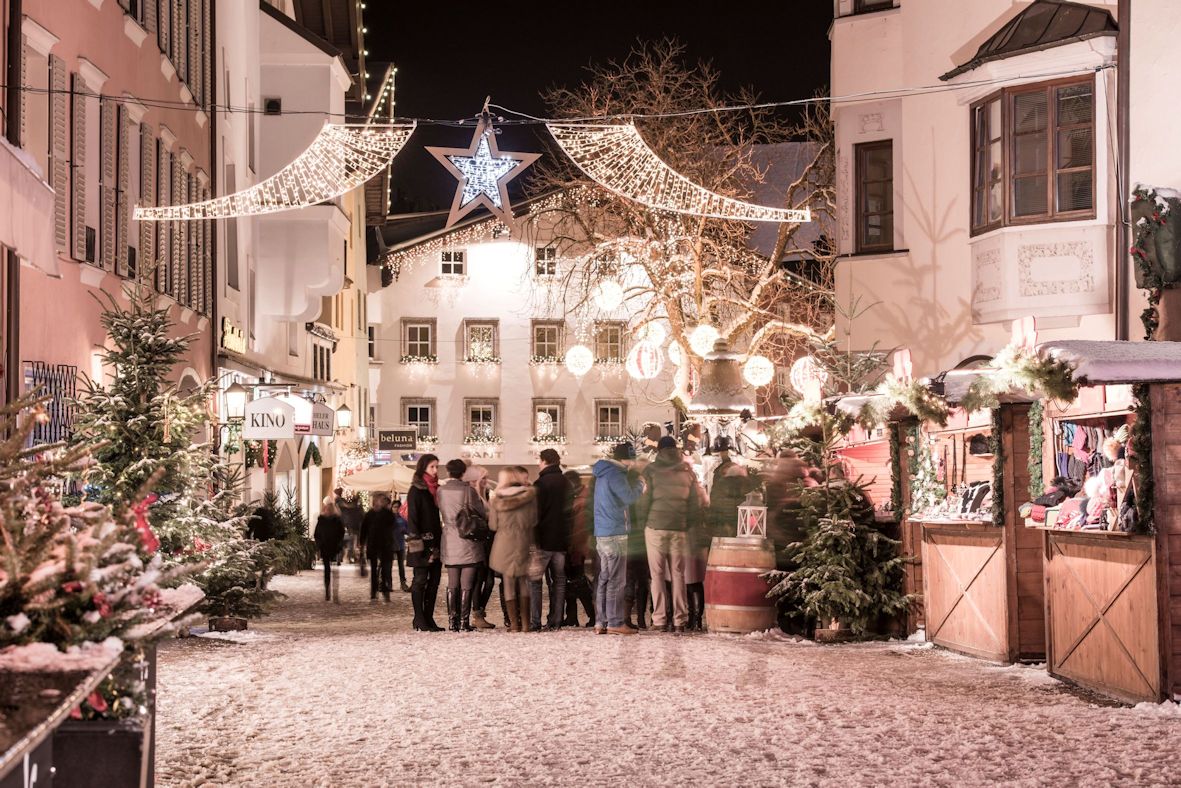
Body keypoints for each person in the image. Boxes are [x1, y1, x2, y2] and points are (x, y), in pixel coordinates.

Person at [638, 436, 704, 633]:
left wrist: (643, 523)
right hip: (679, 528)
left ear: (659, 450)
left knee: (657, 575)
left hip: (655, 527)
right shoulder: (687, 471)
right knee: (678, 574)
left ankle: (659, 619)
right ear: (676, 450)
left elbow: (644, 500)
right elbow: (695, 504)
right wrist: (687, 524)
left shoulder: (650, 470)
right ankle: (679, 619)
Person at [592, 442, 644, 635]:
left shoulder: (603, 473)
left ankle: (601, 622)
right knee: (616, 580)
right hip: (615, 532)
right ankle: (614, 622)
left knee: (605, 578)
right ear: (627, 458)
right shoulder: (616, 474)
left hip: (603, 532)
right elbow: (628, 497)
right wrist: (640, 485)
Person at [438, 458, 489, 632]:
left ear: (448, 471)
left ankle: (452, 621)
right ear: (462, 473)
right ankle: (464, 621)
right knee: (467, 582)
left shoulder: (441, 490)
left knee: (452, 582)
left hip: (450, 537)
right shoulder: (468, 491)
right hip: (467, 538)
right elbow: (481, 513)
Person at [488, 466, 538, 632]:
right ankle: (526, 624)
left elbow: (493, 525)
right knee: (523, 581)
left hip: (504, 542)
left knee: (508, 582)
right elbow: (534, 521)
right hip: (523, 541)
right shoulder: (530, 496)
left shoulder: (496, 499)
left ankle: (514, 624)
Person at [530, 448, 571, 631]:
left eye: (539, 460)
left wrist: (534, 540)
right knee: (559, 582)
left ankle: (535, 621)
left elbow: (535, 515)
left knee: (535, 582)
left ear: (545, 460)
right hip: (561, 540)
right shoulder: (566, 483)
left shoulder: (540, 484)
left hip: (543, 540)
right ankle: (556, 621)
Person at [406, 454, 444, 632]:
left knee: (434, 581)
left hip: (435, 542)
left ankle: (428, 617)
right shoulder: (416, 490)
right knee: (420, 580)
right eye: (432, 467)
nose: (436, 470)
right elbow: (413, 520)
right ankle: (419, 618)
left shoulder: (435, 490)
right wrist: (418, 548)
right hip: (421, 542)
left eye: (437, 467)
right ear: (423, 469)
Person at [463, 464, 497, 629]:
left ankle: (479, 611)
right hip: (479, 542)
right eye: (483, 478)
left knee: (489, 580)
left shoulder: (488, 494)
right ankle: (477, 614)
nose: (486, 481)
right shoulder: (472, 496)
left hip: (491, 541)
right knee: (480, 579)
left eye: (486, 477)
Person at [562, 469, 595, 628]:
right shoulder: (580, 497)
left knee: (579, 582)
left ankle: (591, 614)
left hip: (576, 547)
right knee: (571, 582)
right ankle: (572, 616)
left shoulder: (581, 500)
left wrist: (574, 547)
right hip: (575, 546)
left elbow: (579, 528)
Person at [359, 492, 397, 603]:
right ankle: (373, 593)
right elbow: (364, 530)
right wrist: (362, 544)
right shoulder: (369, 514)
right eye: (379, 500)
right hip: (373, 545)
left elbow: (392, 524)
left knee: (385, 571)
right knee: (374, 571)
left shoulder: (387, 513)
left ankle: (385, 592)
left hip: (385, 546)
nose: (380, 502)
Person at [313, 497, 345, 602]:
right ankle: (327, 590)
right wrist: (319, 544)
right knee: (327, 569)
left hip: (334, 547)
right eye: (327, 509)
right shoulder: (321, 520)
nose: (328, 510)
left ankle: (335, 592)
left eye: (330, 509)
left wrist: (339, 544)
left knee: (335, 570)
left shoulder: (337, 520)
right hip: (325, 547)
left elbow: (341, 533)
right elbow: (317, 534)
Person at [334, 487, 362, 568]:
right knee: (347, 541)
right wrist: (355, 501)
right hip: (345, 523)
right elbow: (348, 506)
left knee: (348, 541)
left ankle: (344, 558)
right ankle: (343, 558)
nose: (341, 493)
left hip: (346, 523)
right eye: (340, 492)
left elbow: (348, 506)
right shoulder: (339, 500)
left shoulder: (340, 500)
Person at [391, 495, 411, 592]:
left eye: (398, 507)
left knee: (401, 566)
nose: (396, 509)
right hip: (390, 545)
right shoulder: (388, 519)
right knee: (387, 565)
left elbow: (408, 530)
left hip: (400, 544)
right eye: (394, 507)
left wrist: (405, 531)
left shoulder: (403, 519)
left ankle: (403, 583)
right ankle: (386, 583)